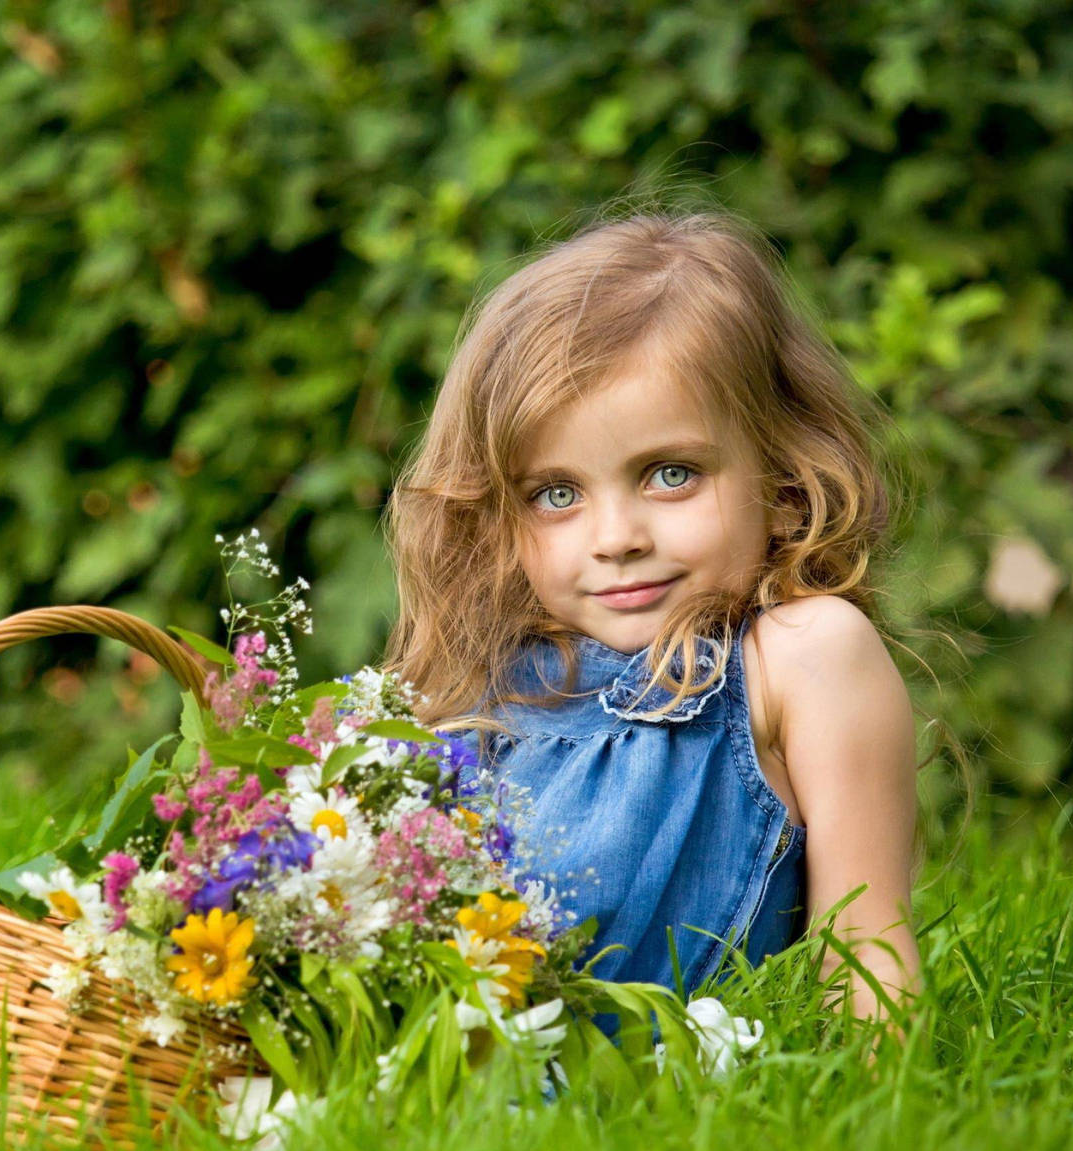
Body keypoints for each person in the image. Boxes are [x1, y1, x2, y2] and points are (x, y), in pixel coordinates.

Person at [383, 205, 925, 1030]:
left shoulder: (800, 659)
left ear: (783, 480)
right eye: (556, 494)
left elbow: (863, 946)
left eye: (670, 474)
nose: (616, 540)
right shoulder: (491, 682)